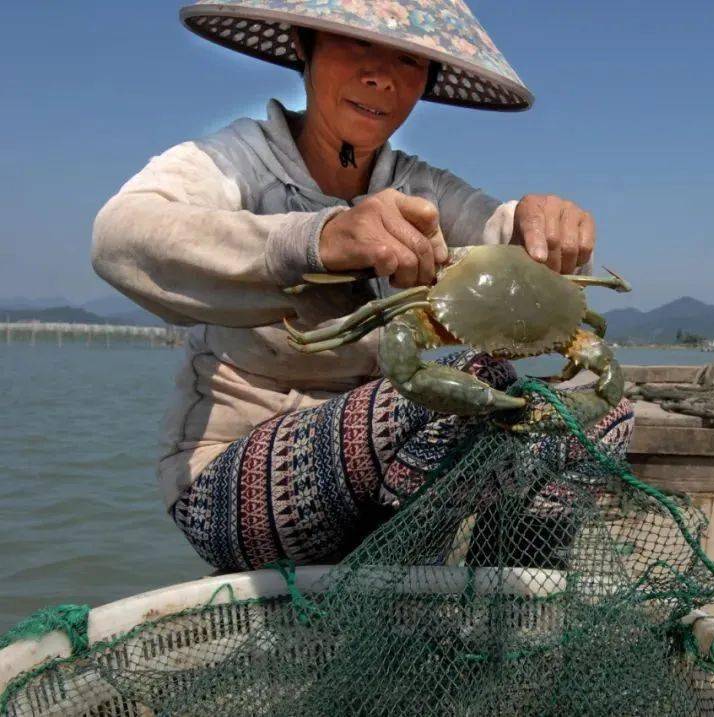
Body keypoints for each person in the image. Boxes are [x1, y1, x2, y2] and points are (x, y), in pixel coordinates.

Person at [91, 0, 633, 572]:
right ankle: (404, 603)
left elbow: (495, 230)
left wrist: (535, 225)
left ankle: (500, 610)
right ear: (304, 44)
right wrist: (317, 239)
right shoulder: (236, 161)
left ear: (426, 78)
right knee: (449, 393)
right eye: (356, 45)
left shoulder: (420, 186)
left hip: (385, 471)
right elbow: (121, 236)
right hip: (229, 482)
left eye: (408, 58)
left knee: (598, 419)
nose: (381, 76)